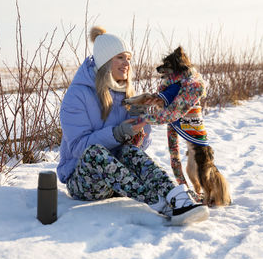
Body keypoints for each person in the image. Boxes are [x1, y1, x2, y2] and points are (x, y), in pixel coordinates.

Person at [56, 26, 209, 225]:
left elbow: (137, 150)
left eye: (128, 58)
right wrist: (118, 133)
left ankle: (176, 197)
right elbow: (77, 147)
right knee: (95, 153)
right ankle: (161, 205)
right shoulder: (77, 95)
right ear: (105, 61)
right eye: (120, 57)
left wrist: (141, 129)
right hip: (86, 182)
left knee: (129, 151)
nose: (127, 63)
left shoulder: (127, 93)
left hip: (119, 181)